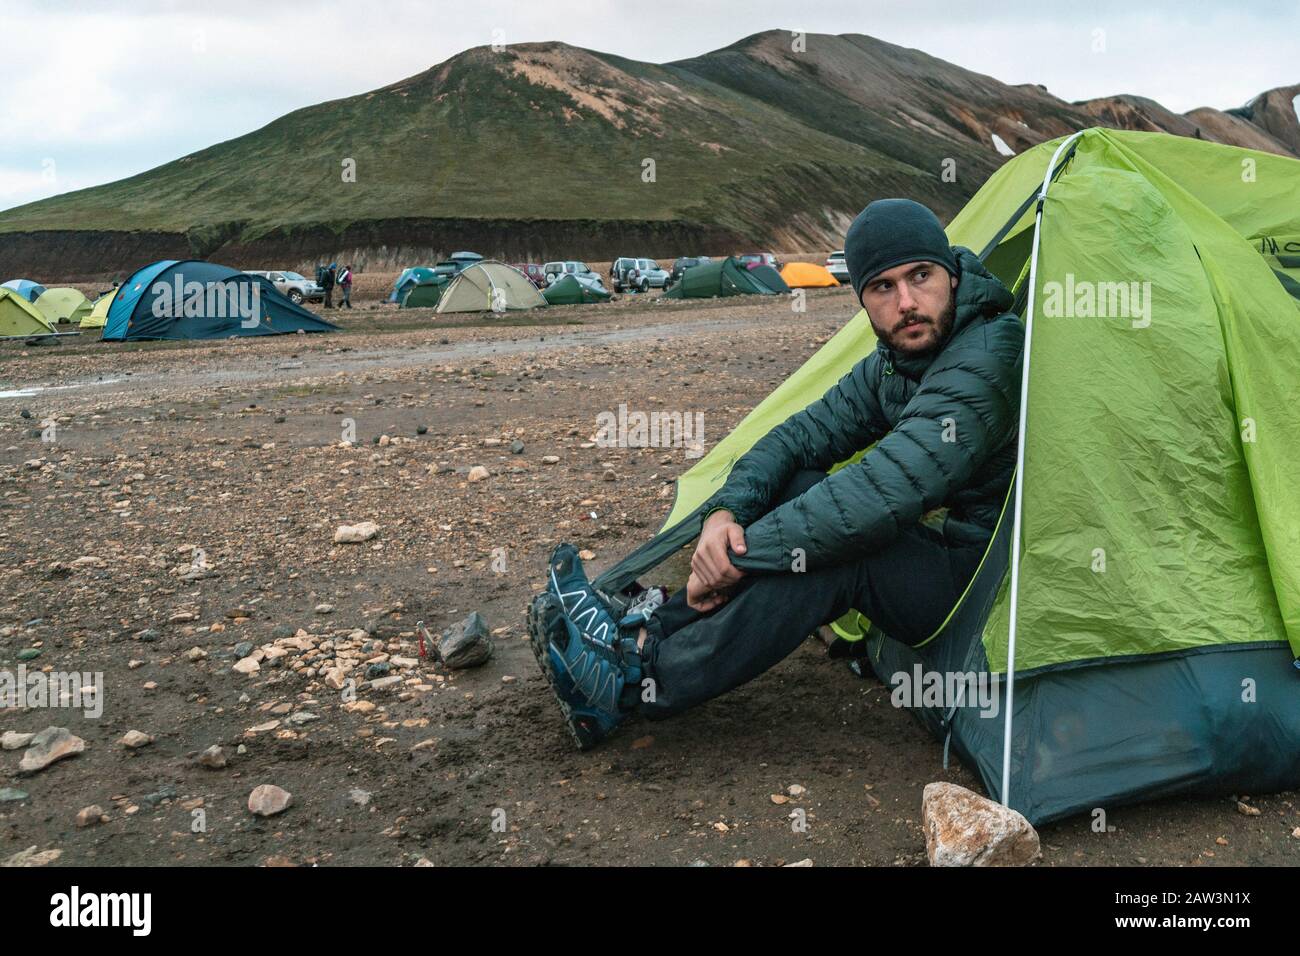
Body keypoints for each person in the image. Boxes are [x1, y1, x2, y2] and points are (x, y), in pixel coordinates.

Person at [528, 198, 1026, 749]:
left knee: (843, 551)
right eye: (882, 287)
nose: (907, 302)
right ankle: (646, 630)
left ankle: (634, 681)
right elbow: (798, 436)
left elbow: (884, 490)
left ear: (952, 275)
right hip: (940, 557)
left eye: (921, 276)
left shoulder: (988, 352)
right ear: (862, 301)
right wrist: (726, 514)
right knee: (797, 486)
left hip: (986, 592)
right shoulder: (896, 359)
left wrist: (735, 559)